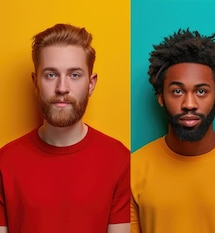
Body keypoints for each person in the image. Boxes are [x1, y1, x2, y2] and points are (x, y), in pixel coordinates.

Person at [0, 23, 130, 233]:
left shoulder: (120, 160)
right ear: (35, 82)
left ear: (91, 83)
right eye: (51, 75)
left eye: (74, 75)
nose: (62, 88)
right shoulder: (4, 163)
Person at [130, 29, 215, 233]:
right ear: (161, 97)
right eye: (177, 91)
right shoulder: (133, 169)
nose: (189, 104)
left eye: (201, 91)